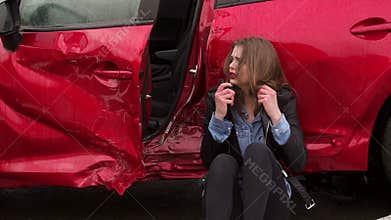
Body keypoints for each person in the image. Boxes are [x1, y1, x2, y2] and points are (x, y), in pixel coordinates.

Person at [200, 37, 308, 220]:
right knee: (222, 162)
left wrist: (276, 115)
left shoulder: (282, 99)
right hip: (232, 198)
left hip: (270, 198)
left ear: (259, 66)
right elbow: (208, 160)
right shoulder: (219, 98)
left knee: (257, 151)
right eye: (232, 59)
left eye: (239, 62)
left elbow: (299, 162)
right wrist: (218, 116)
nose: (231, 66)